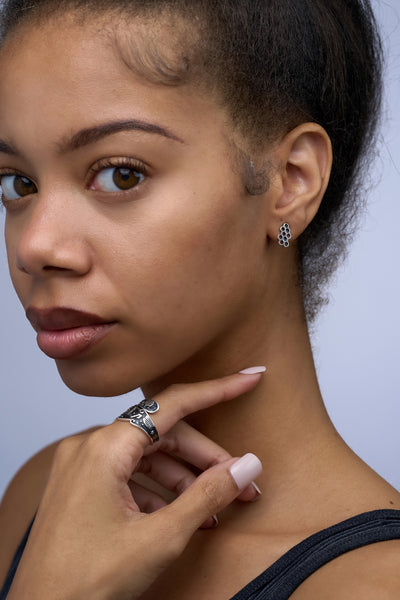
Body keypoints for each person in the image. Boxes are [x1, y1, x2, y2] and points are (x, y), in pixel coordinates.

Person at [0, 0, 399, 598]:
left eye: (121, 174)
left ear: (290, 182)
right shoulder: (48, 496)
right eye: (17, 183)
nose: (36, 246)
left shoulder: (375, 583)